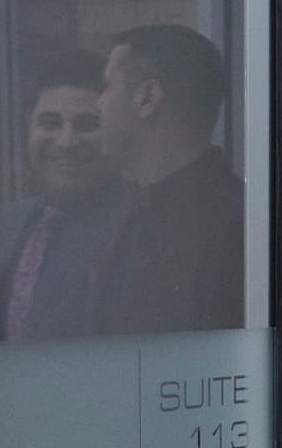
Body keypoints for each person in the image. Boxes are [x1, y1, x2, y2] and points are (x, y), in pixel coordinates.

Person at [93, 24, 244, 336]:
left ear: (148, 98)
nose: (98, 104)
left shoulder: (230, 228)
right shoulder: (131, 211)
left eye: (107, 86)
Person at [0, 50, 120, 343]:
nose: (66, 142)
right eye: (50, 123)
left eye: (87, 125)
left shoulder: (131, 227)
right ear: (28, 127)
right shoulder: (9, 222)